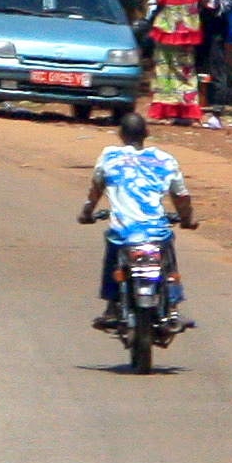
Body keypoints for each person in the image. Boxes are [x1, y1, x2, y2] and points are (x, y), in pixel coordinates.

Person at [77, 106, 196, 328]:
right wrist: (187, 220)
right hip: (156, 232)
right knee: (168, 260)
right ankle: (173, 307)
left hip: (123, 232)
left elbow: (95, 190)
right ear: (147, 134)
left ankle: (112, 306)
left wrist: (86, 213)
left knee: (113, 257)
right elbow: (181, 197)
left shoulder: (109, 156)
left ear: (121, 135)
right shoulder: (164, 159)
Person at [140, 0, 207, 126]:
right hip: (186, 39)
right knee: (185, 73)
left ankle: (166, 111)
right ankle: (186, 112)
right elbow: (204, 4)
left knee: (165, 73)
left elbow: (154, 8)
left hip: (164, 37)